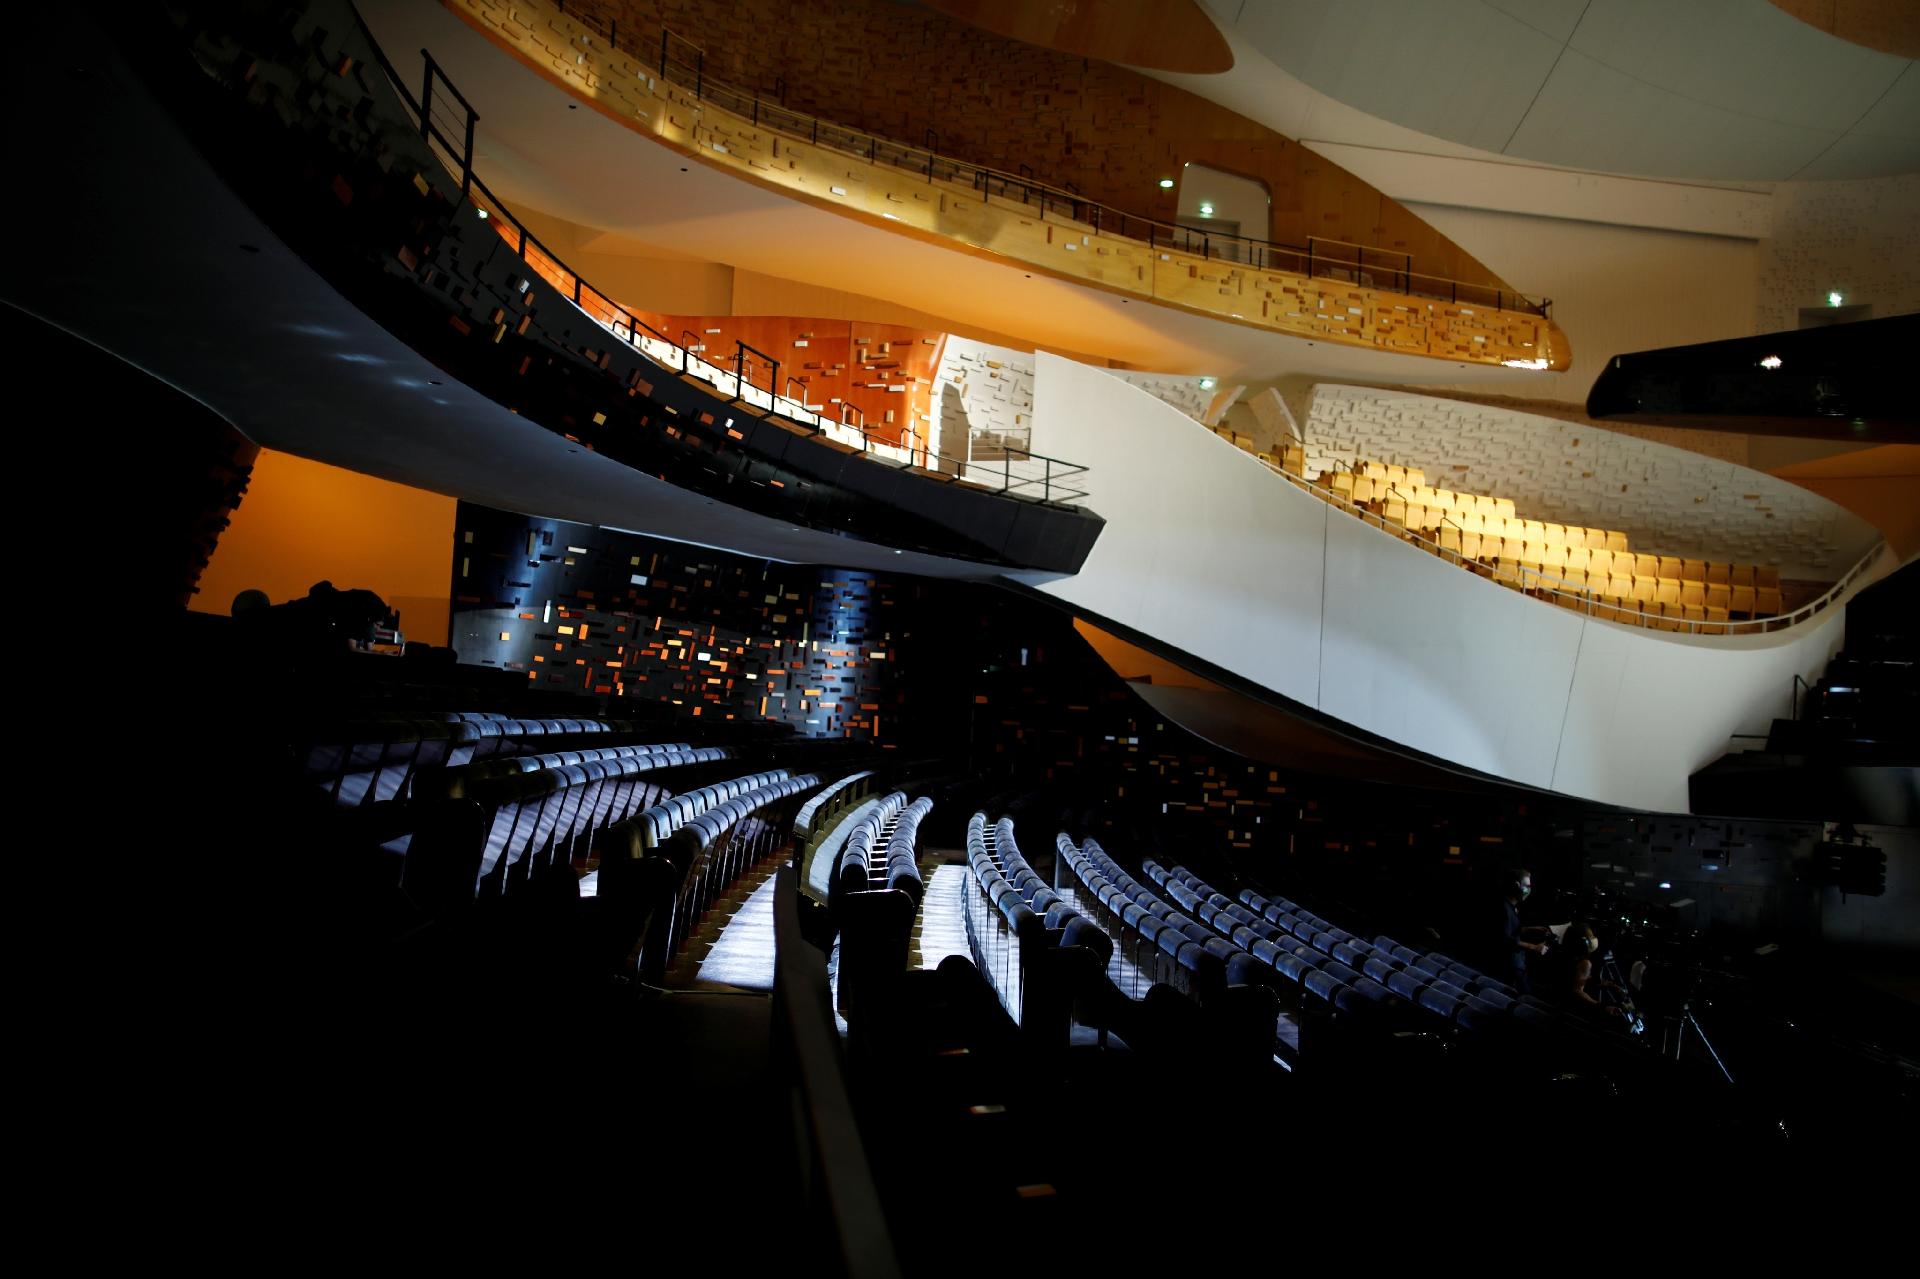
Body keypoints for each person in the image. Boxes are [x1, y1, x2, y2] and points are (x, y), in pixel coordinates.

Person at [1495, 868, 1552, 994]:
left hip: (1517, 962)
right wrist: (1534, 947)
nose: (1529, 890)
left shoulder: (1511, 906)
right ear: (1516, 886)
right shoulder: (1504, 908)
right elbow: (1504, 938)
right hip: (1511, 965)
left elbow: (1510, 929)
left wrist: (1529, 929)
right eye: (1527, 886)